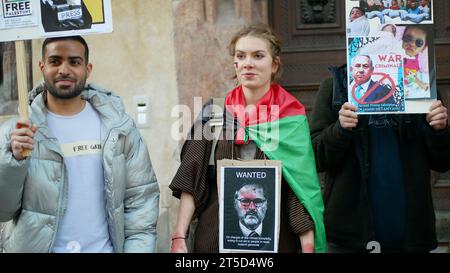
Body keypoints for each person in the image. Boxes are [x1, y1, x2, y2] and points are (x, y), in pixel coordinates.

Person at [169, 23, 326, 253]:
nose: (248, 63)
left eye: (258, 56)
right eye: (241, 56)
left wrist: (308, 245)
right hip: (215, 244)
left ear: (274, 64)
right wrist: (179, 236)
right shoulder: (211, 120)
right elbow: (191, 183)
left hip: (276, 245)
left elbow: (300, 191)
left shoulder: (290, 121)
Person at [0, 36, 160, 253]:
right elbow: (3, 210)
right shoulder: (17, 132)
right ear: (42, 66)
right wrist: (13, 161)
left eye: (74, 62)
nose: (64, 70)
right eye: (55, 61)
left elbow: (141, 201)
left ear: (88, 68)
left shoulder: (118, 128)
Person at [310, 63, 450, 252]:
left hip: (410, 238)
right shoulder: (337, 85)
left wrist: (439, 130)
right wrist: (340, 130)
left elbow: (442, 162)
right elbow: (316, 158)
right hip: (350, 240)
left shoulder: (420, 85)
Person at [401, 26, 430, 98]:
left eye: (419, 42)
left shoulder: (416, 62)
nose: (412, 43)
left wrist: (421, 84)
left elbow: (410, 76)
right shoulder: (392, 52)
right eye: (408, 38)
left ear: (423, 49)